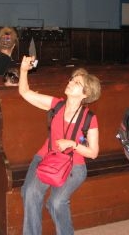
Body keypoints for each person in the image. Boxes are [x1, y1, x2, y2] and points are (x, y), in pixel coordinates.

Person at [19, 55, 101, 235]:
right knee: (30, 193)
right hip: (47, 157)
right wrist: (24, 70)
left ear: (85, 94)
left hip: (74, 165)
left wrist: (72, 144)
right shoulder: (56, 105)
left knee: (56, 202)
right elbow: (25, 93)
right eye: (72, 79)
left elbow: (93, 152)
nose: (70, 82)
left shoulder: (89, 118)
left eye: (76, 83)